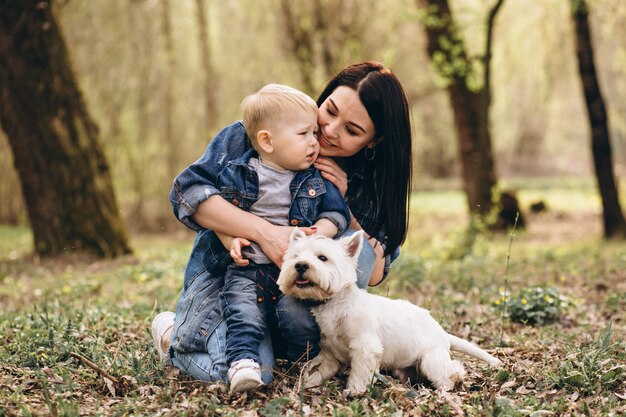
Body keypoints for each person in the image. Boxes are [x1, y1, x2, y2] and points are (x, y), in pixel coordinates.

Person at [152, 61, 413, 385]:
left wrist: (343, 202)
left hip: (300, 303)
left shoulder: (369, 182)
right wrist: (266, 233)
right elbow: (187, 194)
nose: (330, 130)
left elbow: (371, 271)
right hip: (235, 283)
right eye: (329, 110)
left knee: (286, 365)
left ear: (373, 141)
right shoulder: (265, 130)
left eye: (352, 130)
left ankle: (284, 347)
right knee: (238, 370)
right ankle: (171, 335)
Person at [209, 83, 350, 393]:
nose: (315, 142)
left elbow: (336, 215)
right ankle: (243, 364)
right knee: (244, 313)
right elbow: (219, 213)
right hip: (247, 269)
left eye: (314, 133)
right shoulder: (239, 173)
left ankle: (306, 366)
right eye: (304, 134)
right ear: (267, 141)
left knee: (296, 317)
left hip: (291, 272)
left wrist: (313, 236)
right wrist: (228, 238)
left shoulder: (314, 178)